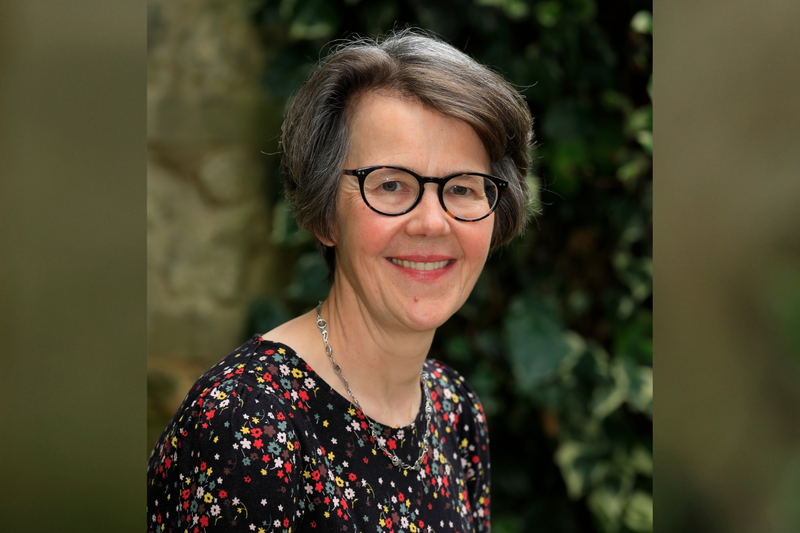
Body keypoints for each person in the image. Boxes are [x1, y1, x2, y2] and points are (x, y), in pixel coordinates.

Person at [147, 29, 532, 533]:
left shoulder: (454, 410)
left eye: (462, 188)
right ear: (326, 216)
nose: (433, 223)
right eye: (391, 185)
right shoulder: (249, 421)